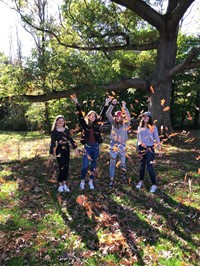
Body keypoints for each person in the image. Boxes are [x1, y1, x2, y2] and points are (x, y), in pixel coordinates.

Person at [71, 95, 111, 190]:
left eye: (94, 115)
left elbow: (103, 113)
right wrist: (76, 103)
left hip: (95, 147)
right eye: (91, 115)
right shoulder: (85, 125)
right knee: (85, 165)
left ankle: (91, 181)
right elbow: (80, 115)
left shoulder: (97, 124)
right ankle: (82, 181)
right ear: (88, 117)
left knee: (93, 165)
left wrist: (106, 103)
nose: (93, 117)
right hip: (87, 147)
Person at [106, 99, 131, 187]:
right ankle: (111, 180)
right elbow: (107, 113)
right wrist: (112, 104)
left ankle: (124, 175)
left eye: (119, 116)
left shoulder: (125, 124)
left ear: (121, 117)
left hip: (122, 145)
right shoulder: (113, 123)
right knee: (112, 162)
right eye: (116, 116)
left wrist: (124, 107)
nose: (117, 118)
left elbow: (128, 117)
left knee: (123, 162)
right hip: (113, 145)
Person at [49, 115, 78, 192]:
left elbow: (71, 139)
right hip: (59, 151)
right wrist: (51, 153)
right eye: (59, 121)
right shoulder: (54, 131)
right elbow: (52, 143)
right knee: (61, 166)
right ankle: (60, 184)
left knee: (66, 166)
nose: (61, 122)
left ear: (64, 122)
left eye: (62, 121)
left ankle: (64, 183)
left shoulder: (67, 130)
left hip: (66, 150)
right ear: (56, 122)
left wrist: (76, 148)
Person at [135, 111, 162, 193]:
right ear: (142, 117)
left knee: (149, 167)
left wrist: (159, 149)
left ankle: (154, 185)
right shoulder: (139, 127)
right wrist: (137, 147)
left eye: (147, 116)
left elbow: (157, 138)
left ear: (150, 118)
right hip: (141, 148)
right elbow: (138, 138)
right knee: (141, 166)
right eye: (144, 116)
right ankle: (141, 181)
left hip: (150, 148)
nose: (145, 118)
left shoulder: (153, 127)